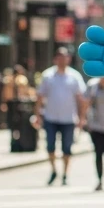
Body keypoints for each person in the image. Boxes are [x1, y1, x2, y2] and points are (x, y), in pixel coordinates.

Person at [35, 46, 88, 186]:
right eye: (59, 57)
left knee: (67, 148)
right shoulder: (47, 75)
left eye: (65, 57)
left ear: (68, 59)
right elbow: (40, 97)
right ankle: (53, 170)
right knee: (50, 146)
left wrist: (82, 117)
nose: (62, 60)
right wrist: (37, 115)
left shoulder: (74, 76)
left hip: (68, 118)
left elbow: (81, 99)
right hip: (51, 117)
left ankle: (65, 173)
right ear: (55, 59)